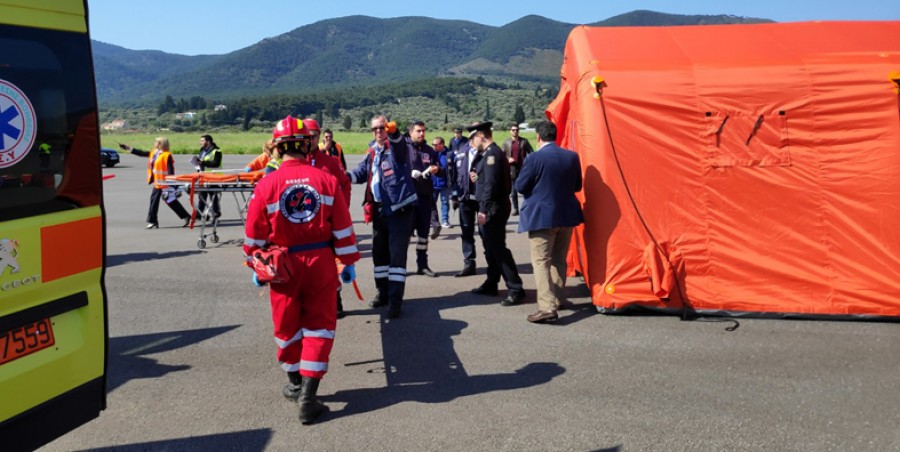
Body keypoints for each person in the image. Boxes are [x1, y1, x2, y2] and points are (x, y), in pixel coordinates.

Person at [243, 115, 360, 424]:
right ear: (306, 144)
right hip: (320, 262)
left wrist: (256, 263)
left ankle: (295, 384)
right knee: (320, 326)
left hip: (282, 266)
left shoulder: (266, 183)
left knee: (286, 325)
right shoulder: (325, 180)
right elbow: (344, 228)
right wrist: (346, 262)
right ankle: (309, 396)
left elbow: (253, 238)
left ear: (279, 149)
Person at [346, 115, 418, 318]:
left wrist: (394, 133)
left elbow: (399, 145)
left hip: (399, 211)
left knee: (396, 257)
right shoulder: (373, 152)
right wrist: (343, 176)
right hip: (379, 210)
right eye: (375, 129)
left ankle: (395, 302)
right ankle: (383, 293)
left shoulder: (397, 149)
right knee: (379, 254)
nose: (378, 131)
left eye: (381, 128)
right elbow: (361, 172)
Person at [515, 121, 584, 323]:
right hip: (567, 215)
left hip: (542, 217)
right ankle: (558, 298)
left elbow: (520, 186)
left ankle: (546, 307)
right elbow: (577, 185)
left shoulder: (534, 158)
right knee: (559, 260)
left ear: (538, 137)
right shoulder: (571, 157)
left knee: (541, 262)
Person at [467, 121, 526, 306]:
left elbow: (491, 186)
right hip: (490, 206)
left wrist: (483, 210)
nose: (471, 143)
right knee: (490, 248)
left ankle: (516, 288)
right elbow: (486, 180)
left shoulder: (492, 154)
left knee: (498, 249)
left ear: (480, 136)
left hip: (493, 208)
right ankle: (492, 283)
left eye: (472, 138)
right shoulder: (486, 155)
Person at [303, 118, 353, 318]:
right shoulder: (292, 163)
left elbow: (345, 185)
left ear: (319, 137)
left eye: (313, 137)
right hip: (302, 226)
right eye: (306, 138)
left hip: (326, 225)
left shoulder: (330, 162)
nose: (310, 141)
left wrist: (342, 212)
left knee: (331, 265)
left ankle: (336, 301)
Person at [121, 138, 191, 229]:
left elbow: (170, 170)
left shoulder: (167, 155)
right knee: (154, 201)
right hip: (158, 183)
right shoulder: (155, 152)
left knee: (170, 201)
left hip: (166, 183)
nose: (154, 143)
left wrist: (172, 184)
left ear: (161, 144)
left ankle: (185, 216)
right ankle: (153, 221)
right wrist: (128, 148)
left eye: (156, 142)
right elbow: (142, 153)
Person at [405, 120, 442, 277]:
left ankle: (422, 265)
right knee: (405, 235)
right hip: (407, 199)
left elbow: (439, 168)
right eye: (419, 131)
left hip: (424, 198)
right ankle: (400, 266)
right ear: (411, 132)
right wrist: (409, 173)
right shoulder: (403, 148)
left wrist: (436, 169)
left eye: (423, 131)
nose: (422, 134)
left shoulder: (429, 150)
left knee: (423, 235)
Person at [449, 139, 480, 277]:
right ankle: (469, 263)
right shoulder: (461, 152)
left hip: (481, 199)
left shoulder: (488, 151)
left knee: (486, 233)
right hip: (464, 199)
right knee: (466, 232)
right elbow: (454, 176)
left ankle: (493, 263)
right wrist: (454, 196)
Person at [501, 124, 533, 216]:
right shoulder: (506, 142)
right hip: (512, 169)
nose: (515, 131)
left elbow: (531, 152)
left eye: (517, 130)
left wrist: (527, 161)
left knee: (525, 189)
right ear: (510, 131)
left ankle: (527, 207)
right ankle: (515, 208)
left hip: (523, 168)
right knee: (513, 191)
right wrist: (508, 159)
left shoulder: (524, 141)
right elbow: (502, 155)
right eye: (513, 130)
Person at [197, 134, 223, 219]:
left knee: (213, 196)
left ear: (208, 141)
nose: (200, 142)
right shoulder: (202, 150)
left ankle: (216, 212)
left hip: (213, 177)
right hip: (203, 176)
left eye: (202, 141)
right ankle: (200, 213)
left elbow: (216, 163)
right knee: (201, 195)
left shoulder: (217, 151)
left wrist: (203, 163)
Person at [431, 136, 454, 231]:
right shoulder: (431, 154)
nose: (433, 146)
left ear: (442, 144)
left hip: (445, 184)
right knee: (431, 204)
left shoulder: (450, 154)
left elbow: (455, 168)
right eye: (432, 144)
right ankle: (432, 221)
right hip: (432, 184)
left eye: (435, 144)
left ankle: (445, 221)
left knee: (445, 202)